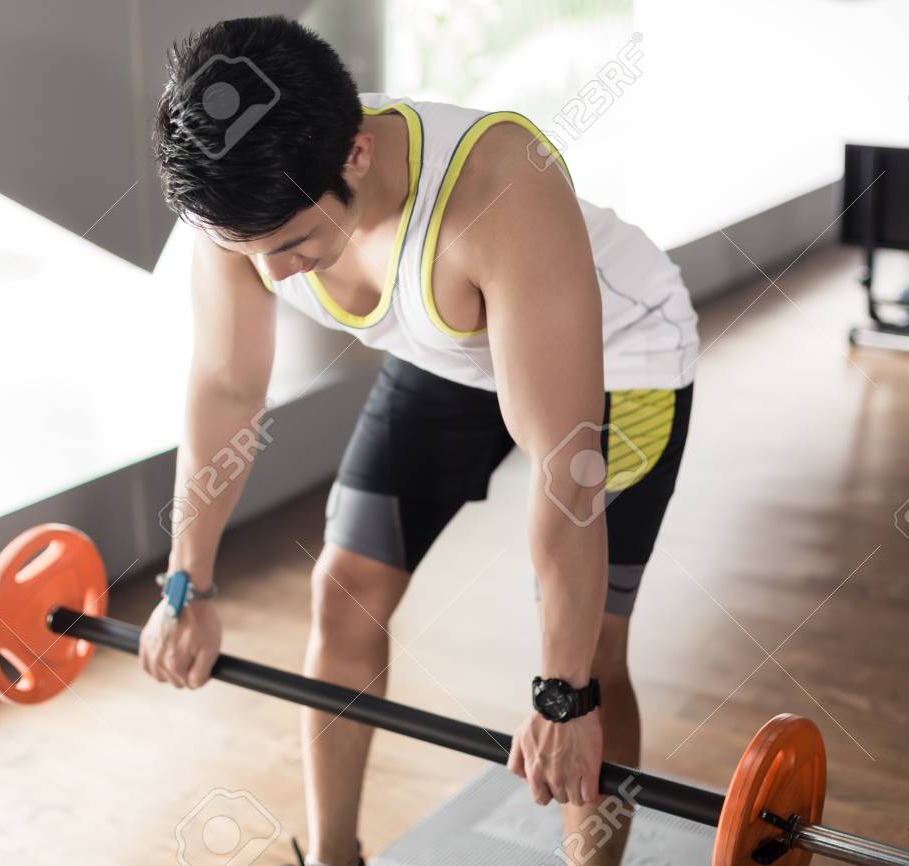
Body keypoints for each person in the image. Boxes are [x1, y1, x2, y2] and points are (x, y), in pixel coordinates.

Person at [138, 15, 698, 866]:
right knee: (344, 591)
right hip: (445, 353)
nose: (280, 276)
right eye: (254, 256)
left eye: (293, 246)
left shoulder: (500, 190)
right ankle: (333, 857)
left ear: (356, 154)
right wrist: (188, 584)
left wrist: (561, 696)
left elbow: (566, 467)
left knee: (594, 653)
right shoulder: (238, 192)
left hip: (620, 363)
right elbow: (225, 387)